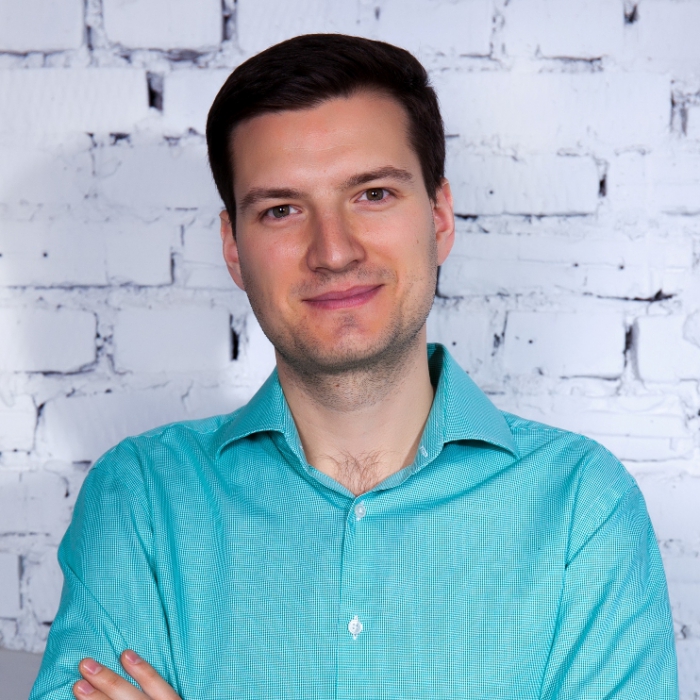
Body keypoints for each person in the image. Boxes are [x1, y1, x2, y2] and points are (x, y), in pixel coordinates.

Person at [31, 34, 678, 700]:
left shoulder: (580, 504)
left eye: (372, 194)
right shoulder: (143, 498)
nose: (333, 251)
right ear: (233, 248)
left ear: (439, 218)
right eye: (282, 210)